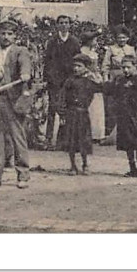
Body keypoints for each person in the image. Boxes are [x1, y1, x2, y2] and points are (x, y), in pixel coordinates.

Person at [0, 19, 33, 190]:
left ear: (15, 36)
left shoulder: (20, 51)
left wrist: (25, 75)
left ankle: (23, 174)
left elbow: (25, 66)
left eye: (10, 34)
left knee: (18, 136)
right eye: (3, 33)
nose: (6, 37)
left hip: (13, 99)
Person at [104, 54, 137, 178]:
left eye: (128, 67)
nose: (125, 70)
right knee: (127, 144)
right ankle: (131, 168)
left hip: (136, 116)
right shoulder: (120, 81)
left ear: (135, 67)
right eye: (123, 68)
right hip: (123, 116)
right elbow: (110, 92)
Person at [43, 14, 80, 149]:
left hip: (69, 81)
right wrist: (48, 79)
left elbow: (78, 61)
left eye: (66, 22)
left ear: (70, 25)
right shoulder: (52, 41)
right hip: (54, 81)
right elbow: (47, 62)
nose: (64, 25)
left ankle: (66, 140)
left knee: (69, 109)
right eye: (61, 23)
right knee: (53, 109)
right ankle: (48, 140)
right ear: (57, 25)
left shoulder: (74, 42)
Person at [61, 54, 102, 175]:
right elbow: (62, 96)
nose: (76, 69)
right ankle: (73, 166)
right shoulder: (69, 81)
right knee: (71, 140)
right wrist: (62, 112)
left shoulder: (89, 81)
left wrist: (96, 77)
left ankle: (85, 164)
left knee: (84, 139)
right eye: (74, 66)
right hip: (71, 114)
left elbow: (101, 88)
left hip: (83, 114)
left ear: (85, 68)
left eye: (79, 66)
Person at [101, 27, 136, 137]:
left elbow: (135, 66)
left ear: (127, 38)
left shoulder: (131, 49)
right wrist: (106, 79)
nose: (121, 40)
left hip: (127, 78)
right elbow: (105, 65)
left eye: (124, 38)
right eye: (119, 38)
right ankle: (110, 131)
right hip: (114, 78)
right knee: (111, 105)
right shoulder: (111, 49)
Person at [79, 32, 105, 140]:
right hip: (87, 78)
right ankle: (89, 133)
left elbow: (95, 67)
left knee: (96, 104)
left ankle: (97, 133)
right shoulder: (82, 51)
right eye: (94, 40)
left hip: (94, 77)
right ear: (89, 41)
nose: (96, 42)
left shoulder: (93, 52)